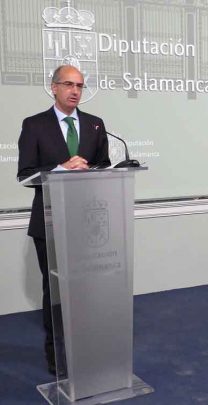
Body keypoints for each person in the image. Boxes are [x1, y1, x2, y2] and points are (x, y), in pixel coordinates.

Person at [17, 65, 110, 374]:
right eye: (68, 84)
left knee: (87, 289)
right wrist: (61, 169)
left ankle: (89, 350)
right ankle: (58, 356)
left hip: (88, 223)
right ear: (53, 87)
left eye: (80, 86)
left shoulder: (95, 124)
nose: (75, 91)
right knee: (56, 292)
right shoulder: (34, 125)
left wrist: (90, 170)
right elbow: (25, 175)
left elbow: (104, 166)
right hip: (50, 222)